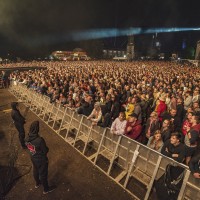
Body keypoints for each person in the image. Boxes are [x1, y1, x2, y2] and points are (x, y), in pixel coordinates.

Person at [25, 121, 55, 194]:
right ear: (37, 129)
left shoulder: (26, 138)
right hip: (41, 160)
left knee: (35, 170)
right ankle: (46, 189)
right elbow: (45, 151)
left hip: (33, 157)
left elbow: (28, 146)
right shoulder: (39, 140)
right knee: (43, 174)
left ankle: (37, 183)